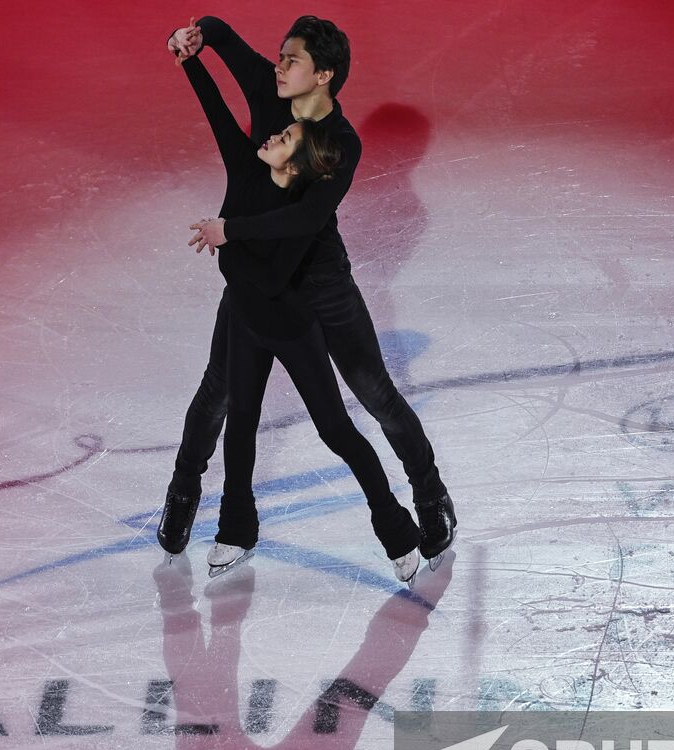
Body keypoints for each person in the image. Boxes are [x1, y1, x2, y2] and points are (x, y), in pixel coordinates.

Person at [158, 15, 456, 570]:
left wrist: (233, 232)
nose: (277, 67)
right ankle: (183, 494)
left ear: (323, 76)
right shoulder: (273, 94)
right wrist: (200, 33)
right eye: (281, 56)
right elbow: (229, 48)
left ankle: (429, 493)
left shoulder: (341, 143)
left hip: (320, 285)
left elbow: (307, 216)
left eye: (290, 60)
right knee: (218, 393)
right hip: (254, 279)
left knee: (373, 392)